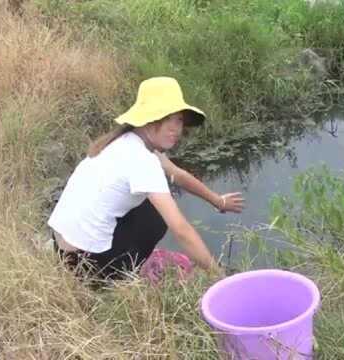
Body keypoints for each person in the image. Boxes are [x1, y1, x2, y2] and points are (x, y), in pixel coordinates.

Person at [47, 77, 244, 281]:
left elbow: (178, 175)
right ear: (149, 119)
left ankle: (124, 262)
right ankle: (122, 275)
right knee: (155, 218)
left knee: (147, 205)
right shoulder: (142, 161)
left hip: (63, 248)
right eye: (169, 118)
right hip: (86, 265)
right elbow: (181, 229)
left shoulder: (124, 141)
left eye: (179, 120)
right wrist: (219, 276)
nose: (177, 129)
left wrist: (218, 200)